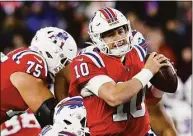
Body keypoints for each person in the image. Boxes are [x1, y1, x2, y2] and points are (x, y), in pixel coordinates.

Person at [68, 7, 177, 135]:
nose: (118, 38)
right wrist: (148, 72)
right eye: (110, 34)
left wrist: (159, 87)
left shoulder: (137, 51)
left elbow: (151, 105)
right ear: (98, 39)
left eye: (121, 31)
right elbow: (114, 96)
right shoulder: (89, 61)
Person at [0, 27, 77, 127]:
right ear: (52, 53)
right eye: (64, 62)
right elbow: (52, 116)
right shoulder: (35, 63)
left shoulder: (23, 56)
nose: (65, 68)